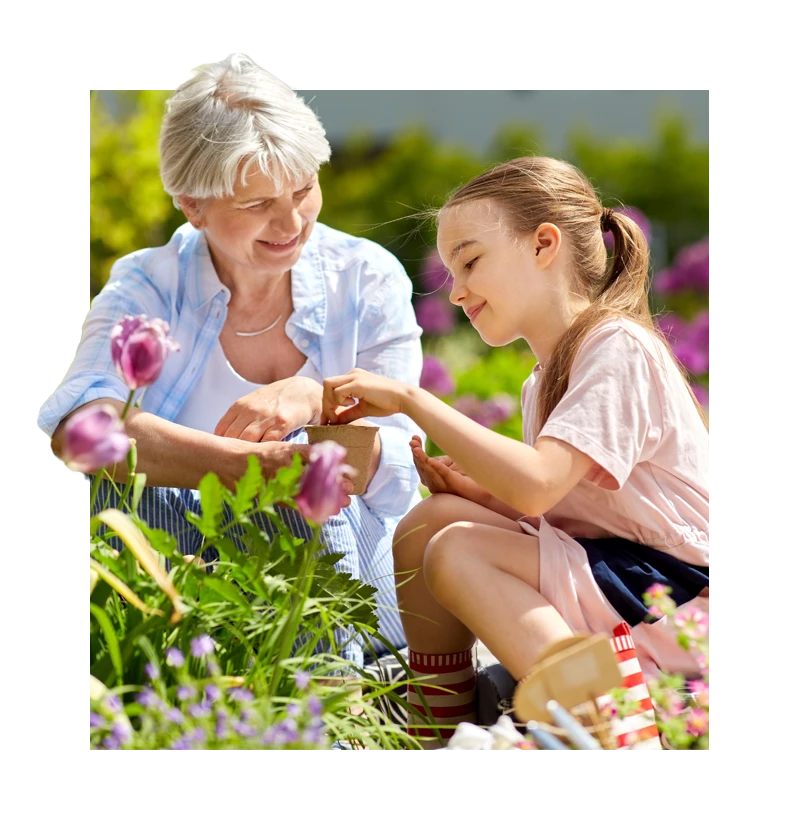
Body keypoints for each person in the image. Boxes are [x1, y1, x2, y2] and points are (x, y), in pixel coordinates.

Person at [37, 52, 424, 670]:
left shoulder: (366, 278)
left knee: (297, 510)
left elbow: (398, 462)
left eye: (304, 190)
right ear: (193, 205)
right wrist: (256, 468)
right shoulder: (147, 283)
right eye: (257, 204)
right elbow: (80, 433)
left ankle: (325, 714)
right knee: (122, 500)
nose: (292, 221)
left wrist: (314, 398)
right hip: (183, 570)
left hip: (348, 565)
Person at [320, 156, 711, 747]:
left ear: (543, 244)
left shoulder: (618, 346)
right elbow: (565, 511)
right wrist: (478, 493)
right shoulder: (544, 377)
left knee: (457, 550)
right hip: (619, 575)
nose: (456, 292)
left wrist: (411, 399)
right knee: (430, 524)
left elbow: (538, 484)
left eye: (471, 262)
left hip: (677, 600)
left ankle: (613, 727)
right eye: (452, 272)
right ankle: (439, 725)